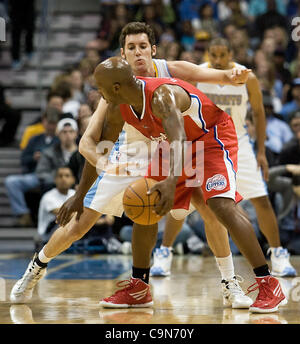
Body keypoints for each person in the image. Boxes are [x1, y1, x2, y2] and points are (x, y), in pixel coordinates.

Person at [10, 22, 253, 308]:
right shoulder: (114, 90)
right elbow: (88, 142)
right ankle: (37, 267)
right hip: (132, 150)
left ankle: (229, 282)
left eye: (142, 47)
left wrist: (231, 74)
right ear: (122, 54)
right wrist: (100, 169)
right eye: (130, 48)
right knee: (81, 222)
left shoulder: (169, 70)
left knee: (207, 206)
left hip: (173, 145)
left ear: (152, 50)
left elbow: (207, 73)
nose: (137, 53)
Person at [93, 56, 285, 313]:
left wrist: (172, 181)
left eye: (100, 87)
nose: (98, 92)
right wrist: (79, 195)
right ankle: (139, 287)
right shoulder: (119, 106)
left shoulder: (162, 96)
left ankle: (268, 283)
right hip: (172, 145)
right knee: (146, 203)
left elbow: (180, 138)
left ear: (115, 87)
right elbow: (99, 148)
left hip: (211, 138)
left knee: (221, 206)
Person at [152, 38, 296, 280]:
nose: (218, 60)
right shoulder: (200, 74)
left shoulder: (245, 77)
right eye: (214, 55)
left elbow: (259, 113)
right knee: (184, 199)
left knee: (260, 199)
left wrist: (261, 151)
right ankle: (164, 252)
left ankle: (278, 253)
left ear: (231, 52)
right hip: (203, 141)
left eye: (223, 55)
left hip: (237, 139)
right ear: (208, 54)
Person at [5, 107, 60, 227]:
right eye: (49, 122)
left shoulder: (60, 139)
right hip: (35, 174)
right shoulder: (35, 139)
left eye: (54, 123)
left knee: (51, 181)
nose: (51, 126)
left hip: (53, 174)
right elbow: (24, 159)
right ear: (44, 121)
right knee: (11, 182)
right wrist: (33, 158)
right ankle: (23, 214)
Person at [37, 167, 75, 243]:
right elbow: (62, 214)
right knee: (62, 219)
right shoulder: (48, 196)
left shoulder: (75, 194)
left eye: (67, 176)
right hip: (48, 235)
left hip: (66, 233)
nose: (63, 179)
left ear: (73, 180)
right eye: (60, 176)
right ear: (55, 180)